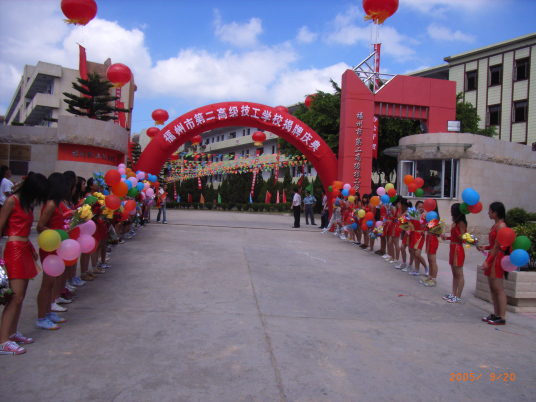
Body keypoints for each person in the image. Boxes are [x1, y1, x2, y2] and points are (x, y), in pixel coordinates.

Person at [0, 173, 48, 355]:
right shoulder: (11, 201)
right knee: (15, 297)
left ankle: (11, 333)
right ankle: (3, 341)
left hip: (25, 248)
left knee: (21, 295)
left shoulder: (27, 204)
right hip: (14, 249)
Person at [478, 202, 508, 325]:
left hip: (497, 258)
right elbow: (493, 245)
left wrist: (487, 261)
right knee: (492, 288)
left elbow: (497, 247)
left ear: (495, 213)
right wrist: (484, 247)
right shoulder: (495, 225)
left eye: (490, 211)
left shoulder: (501, 226)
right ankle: (496, 313)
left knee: (498, 288)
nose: (488, 213)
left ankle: (502, 316)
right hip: (493, 256)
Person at [441, 203, 467, 303]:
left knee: (459, 274)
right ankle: (453, 293)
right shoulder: (456, 222)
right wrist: (446, 238)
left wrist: (455, 229)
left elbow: (463, 238)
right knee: (454, 273)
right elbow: (455, 237)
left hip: (458, 249)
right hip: (452, 247)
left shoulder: (461, 223)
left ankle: (458, 295)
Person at [421, 203, 440, 287]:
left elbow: (435, 229)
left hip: (433, 239)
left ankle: (434, 279)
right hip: (428, 238)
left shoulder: (435, 218)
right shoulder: (428, 216)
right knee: (429, 259)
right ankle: (430, 277)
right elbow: (425, 227)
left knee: (433, 260)